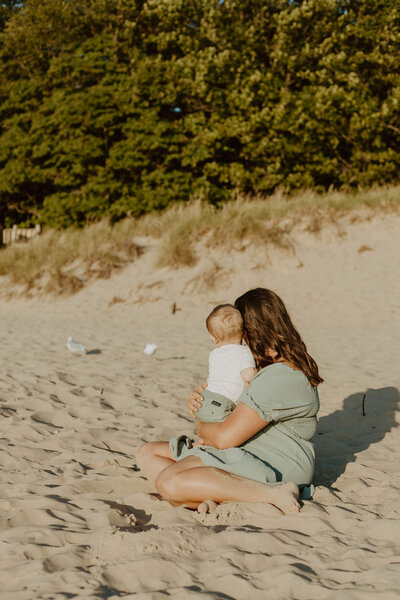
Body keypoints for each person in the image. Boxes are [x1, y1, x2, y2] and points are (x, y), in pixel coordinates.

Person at [136, 288, 323, 515]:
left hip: (274, 463)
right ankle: (220, 494)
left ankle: (272, 494)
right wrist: (202, 403)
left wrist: (202, 426)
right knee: (147, 453)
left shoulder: (281, 376)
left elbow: (224, 439)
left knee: (169, 482)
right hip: (246, 448)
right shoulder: (263, 367)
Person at [193, 303, 257, 425]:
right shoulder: (244, 352)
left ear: (213, 338)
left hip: (203, 399)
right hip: (222, 404)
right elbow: (248, 376)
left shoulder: (214, 354)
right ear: (244, 333)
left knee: (211, 425)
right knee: (233, 426)